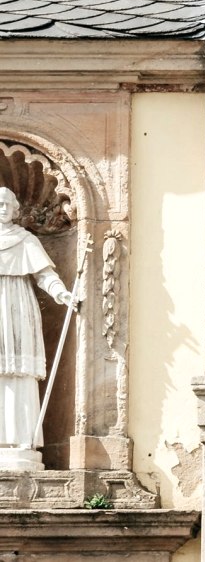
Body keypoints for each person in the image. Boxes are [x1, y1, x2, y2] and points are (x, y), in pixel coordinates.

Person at [0, 186, 73, 470]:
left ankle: (21, 439)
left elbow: (45, 274)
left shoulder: (26, 240)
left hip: (18, 305)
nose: (2, 208)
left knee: (19, 372)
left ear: (16, 210)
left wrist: (61, 293)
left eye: (7, 204)